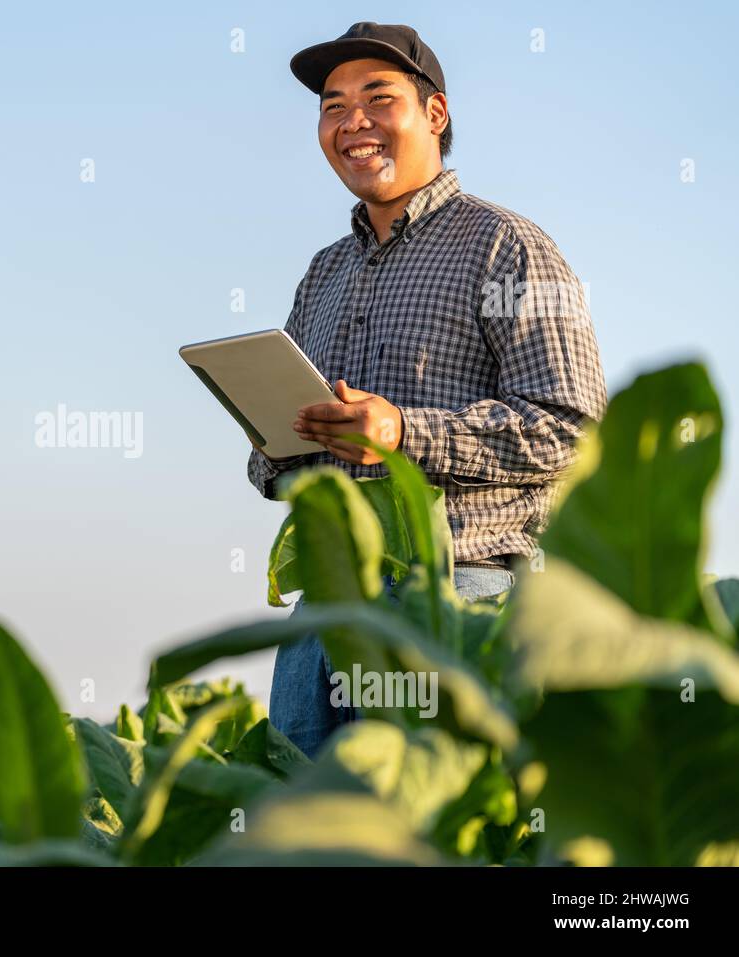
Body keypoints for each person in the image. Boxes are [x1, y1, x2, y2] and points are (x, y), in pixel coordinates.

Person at [247, 22, 608, 758]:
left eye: (379, 98)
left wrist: (403, 432)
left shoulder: (507, 245)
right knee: (307, 832)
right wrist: (277, 445)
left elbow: (570, 427)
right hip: (324, 613)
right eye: (332, 105)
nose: (353, 122)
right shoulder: (322, 273)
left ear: (434, 115)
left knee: (430, 831)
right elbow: (272, 467)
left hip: (459, 600)